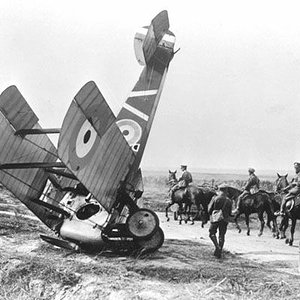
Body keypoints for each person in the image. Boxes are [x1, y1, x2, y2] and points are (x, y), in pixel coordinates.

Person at [208, 183, 232, 258]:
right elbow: (230, 213)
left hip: (215, 218)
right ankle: (219, 251)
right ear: (226, 191)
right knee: (222, 235)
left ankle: (217, 247)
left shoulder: (215, 198)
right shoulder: (229, 200)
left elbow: (209, 210)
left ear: (219, 190)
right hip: (224, 219)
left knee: (212, 233)